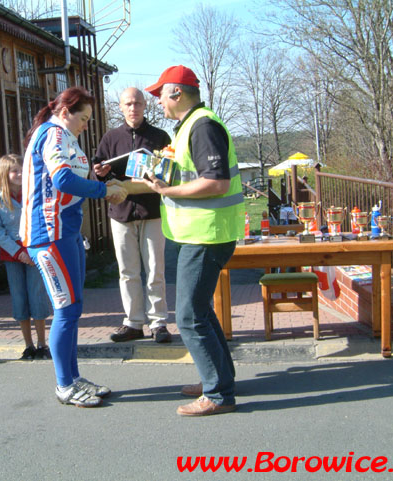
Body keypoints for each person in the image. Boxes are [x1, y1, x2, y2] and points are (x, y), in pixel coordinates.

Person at [124, 65, 245, 416]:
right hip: (202, 233)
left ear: (177, 93)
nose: (157, 101)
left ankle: (218, 393)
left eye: (160, 93)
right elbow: (191, 171)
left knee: (190, 316)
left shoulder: (202, 126)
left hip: (206, 235)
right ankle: (219, 379)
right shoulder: (190, 126)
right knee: (201, 311)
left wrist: (169, 189)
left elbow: (217, 182)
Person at [20, 86, 127, 408]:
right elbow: (62, 181)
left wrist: (97, 180)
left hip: (66, 230)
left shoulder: (62, 135)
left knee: (74, 307)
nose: (86, 125)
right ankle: (64, 385)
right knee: (65, 310)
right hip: (49, 233)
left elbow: (71, 177)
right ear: (65, 111)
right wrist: (104, 190)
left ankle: (73, 376)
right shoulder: (53, 134)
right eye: (83, 118)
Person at [92, 87, 172, 344]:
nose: (133, 108)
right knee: (127, 271)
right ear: (120, 106)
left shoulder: (159, 137)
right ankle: (134, 322)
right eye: (128, 103)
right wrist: (101, 172)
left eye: (137, 103)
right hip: (121, 213)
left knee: (155, 270)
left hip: (152, 212)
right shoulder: (111, 138)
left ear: (145, 106)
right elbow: (98, 171)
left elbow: (171, 170)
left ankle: (159, 323)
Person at [0, 154, 52, 360]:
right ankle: (28, 345)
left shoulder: (34, 192)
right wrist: (18, 253)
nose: (20, 174)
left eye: (23, 170)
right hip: (12, 254)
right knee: (19, 298)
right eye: (14, 171)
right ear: (5, 174)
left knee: (37, 295)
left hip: (33, 249)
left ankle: (42, 343)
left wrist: (34, 249)